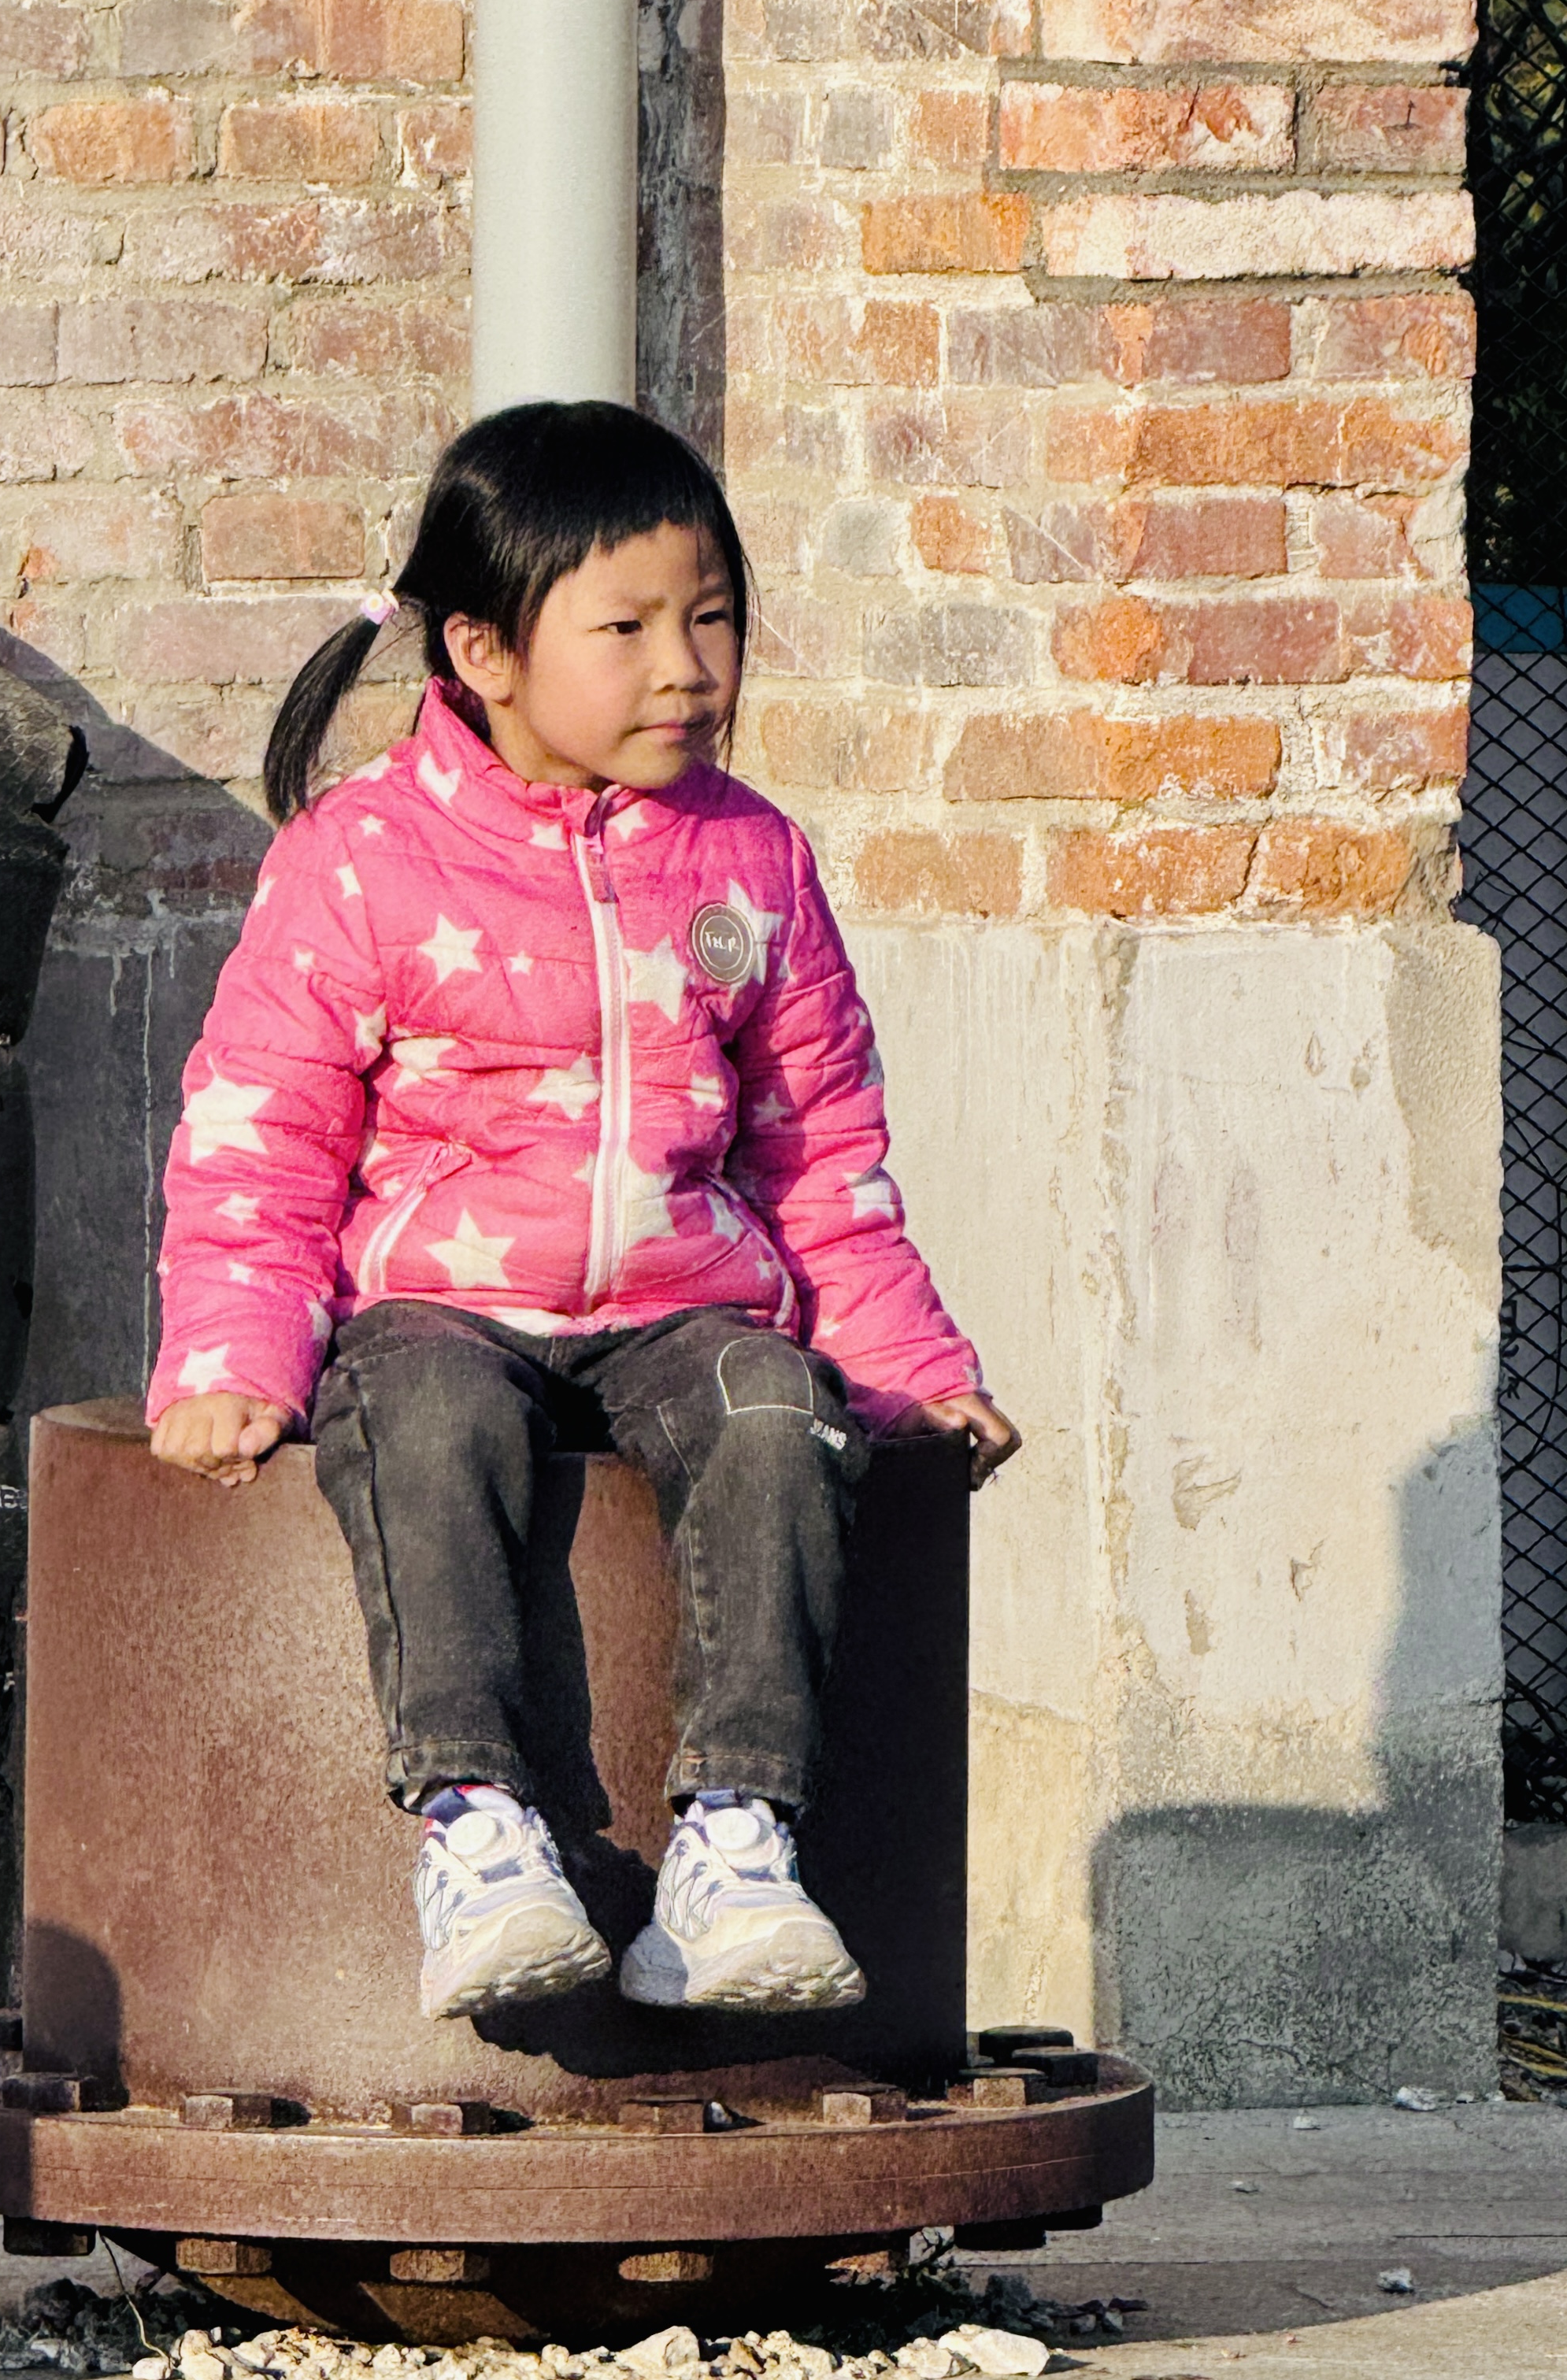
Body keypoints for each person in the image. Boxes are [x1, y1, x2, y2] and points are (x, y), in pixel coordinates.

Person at [145, 400, 1020, 2024]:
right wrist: (231, 1357)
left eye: (713, 617)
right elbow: (261, 1141)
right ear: (482, 649)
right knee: (422, 1418)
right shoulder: (364, 859)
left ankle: (736, 1847)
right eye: (626, 629)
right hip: (444, 1306)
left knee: (780, 1414)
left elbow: (821, 1153)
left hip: (682, 1305)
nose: (687, 666)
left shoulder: (751, 861)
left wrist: (905, 1368)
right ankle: (476, 1832)